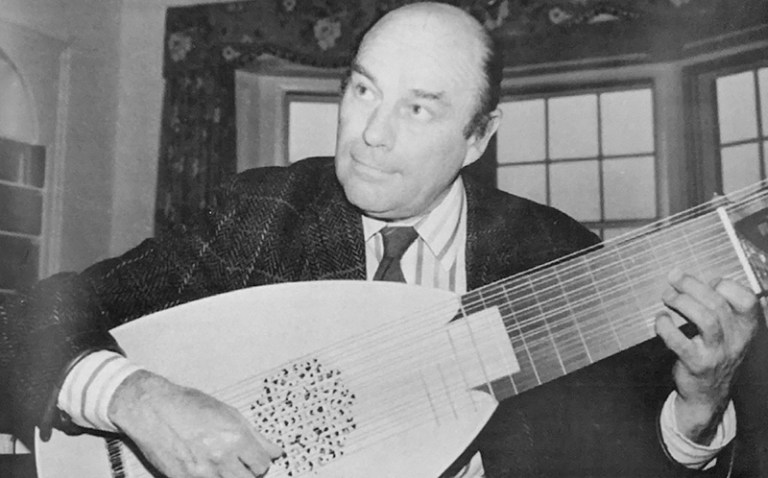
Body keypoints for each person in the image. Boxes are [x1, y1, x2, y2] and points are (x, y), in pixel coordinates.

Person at [1, 2, 764, 477]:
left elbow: (620, 463)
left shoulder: (553, 256)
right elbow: (25, 326)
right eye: (363, 89)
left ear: (478, 138)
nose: (369, 133)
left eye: (419, 110)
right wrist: (138, 397)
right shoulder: (260, 215)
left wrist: (699, 407)